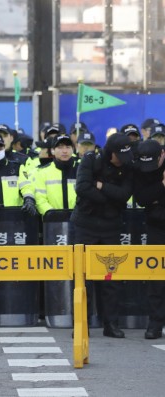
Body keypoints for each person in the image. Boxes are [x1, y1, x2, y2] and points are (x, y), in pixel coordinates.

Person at [72, 133, 134, 338]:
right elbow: (81, 187)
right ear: (111, 153)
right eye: (119, 157)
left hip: (111, 227)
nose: (122, 162)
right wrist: (108, 197)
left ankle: (111, 324)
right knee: (82, 279)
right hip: (85, 225)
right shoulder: (91, 160)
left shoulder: (127, 166)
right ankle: (82, 324)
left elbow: (124, 194)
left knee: (111, 278)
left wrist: (101, 186)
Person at [133, 139, 165, 339]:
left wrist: (156, 198)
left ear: (162, 154)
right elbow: (143, 198)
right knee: (156, 277)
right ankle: (155, 321)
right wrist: (161, 184)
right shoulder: (140, 168)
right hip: (156, 226)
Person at [33, 135, 79, 216]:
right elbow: (40, 200)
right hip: (52, 223)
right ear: (53, 150)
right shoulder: (43, 172)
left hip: (78, 221)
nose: (65, 151)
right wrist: (53, 215)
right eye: (60, 147)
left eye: (68, 147)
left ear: (73, 149)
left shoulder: (81, 170)